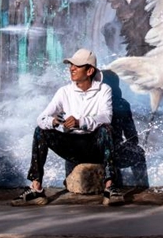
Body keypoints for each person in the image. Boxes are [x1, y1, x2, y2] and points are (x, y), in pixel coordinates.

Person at [11, 48, 123, 206]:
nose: (72, 68)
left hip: (95, 146)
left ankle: (110, 188)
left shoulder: (104, 90)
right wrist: (54, 122)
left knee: (106, 129)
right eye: (71, 65)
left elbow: (106, 117)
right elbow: (41, 119)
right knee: (40, 131)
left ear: (90, 70)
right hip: (71, 146)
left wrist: (80, 122)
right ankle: (36, 189)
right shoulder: (64, 92)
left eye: (77, 65)